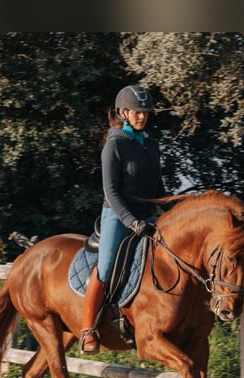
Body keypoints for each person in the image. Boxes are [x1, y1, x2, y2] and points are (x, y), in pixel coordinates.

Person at [80, 84, 168, 354]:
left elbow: (157, 187)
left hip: (147, 216)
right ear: (123, 112)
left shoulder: (151, 145)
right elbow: (111, 192)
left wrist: (173, 209)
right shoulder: (114, 145)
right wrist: (131, 221)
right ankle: (87, 330)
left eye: (145, 112)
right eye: (136, 111)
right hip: (118, 216)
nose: (141, 116)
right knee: (106, 267)